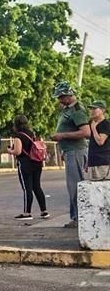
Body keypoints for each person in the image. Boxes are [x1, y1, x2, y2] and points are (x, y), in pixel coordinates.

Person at [52, 81, 90, 228]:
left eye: (61, 97)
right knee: (72, 186)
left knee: (76, 186)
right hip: (70, 151)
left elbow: (86, 132)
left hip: (76, 151)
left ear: (68, 95)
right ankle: (76, 217)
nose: (59, 100)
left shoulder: (77, 110)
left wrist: (63, 136)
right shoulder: (66, 110)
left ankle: (79, 218)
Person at [8, 115, 48, 221]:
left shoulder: (18, 136)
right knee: (37, 186)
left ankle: (27, 212)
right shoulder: (32, 134)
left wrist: (10, 151)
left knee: (27, 188)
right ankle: (44, 211)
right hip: (36, 162)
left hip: (25, 163)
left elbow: (18, 151)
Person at [88, 100, 110, 181]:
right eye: (91, 109)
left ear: (103, 110)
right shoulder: (90, 122)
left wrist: (93, 128)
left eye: (95, 108)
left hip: (103, 162)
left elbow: (100, 141)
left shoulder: (106, 124)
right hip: (93, 162)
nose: (92, 111)